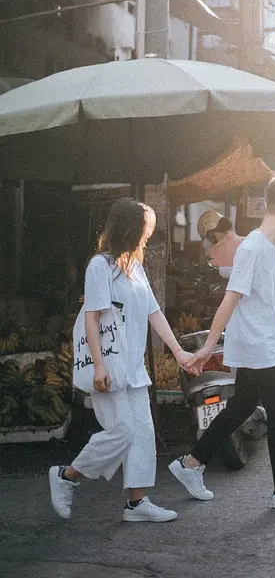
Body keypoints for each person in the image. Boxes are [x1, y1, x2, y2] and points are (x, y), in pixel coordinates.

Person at [169, 176, 275, 512]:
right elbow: (230, 299)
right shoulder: (252, 249)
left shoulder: (273, 246)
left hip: (263, 341)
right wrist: (209, 346)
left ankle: (191, 463)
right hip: (255, 345)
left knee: (241, 406)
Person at [48, 197, 196, 524]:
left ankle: (137, 503)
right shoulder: (100, 266)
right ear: (130, 227)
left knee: (142, 432)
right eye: (146, 227)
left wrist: (178, 351)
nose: (149, 234)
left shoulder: (135, 267)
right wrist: (99, 365)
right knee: (123, 432)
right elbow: (92, 319)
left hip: (133, 367)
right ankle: (67, 475)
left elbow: (154, 312)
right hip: (110, 365)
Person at [197, 209, 243, 278]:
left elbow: (243, 273)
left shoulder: (219, 249)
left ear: (211, 234)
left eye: (208, 237)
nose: (208, 240)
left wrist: (217, 270)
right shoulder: (244, 240)